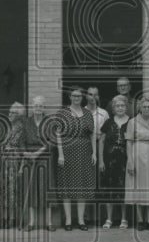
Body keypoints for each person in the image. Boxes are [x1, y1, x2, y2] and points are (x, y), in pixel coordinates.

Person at [55, 87, 96, 231]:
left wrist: (94, 153)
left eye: (79, 96)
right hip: (67, 152)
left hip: (84, 153)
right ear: (70, 97)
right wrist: (60, 154)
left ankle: (80, 220)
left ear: (82, 97)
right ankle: (68, 221)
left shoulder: (87, 113)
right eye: (74, 96)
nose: (76, 98)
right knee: (67, 186)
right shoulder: (63, 112)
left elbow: (92, 134)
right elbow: (58, 134)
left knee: (81, 187)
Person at [125, 97, 149, 230]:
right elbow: (129, 141)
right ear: (140, 108)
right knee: (138, 187)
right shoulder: (132, 122)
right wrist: (130, 160)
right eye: (144, 107)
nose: (147, 109)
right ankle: (140, 220)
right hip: (137, 153)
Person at [99, 95, 131, 229]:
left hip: (125, 160)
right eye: (117, 106)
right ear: (113, 108)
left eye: (122, 105)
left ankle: (124, 219)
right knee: (109, 189)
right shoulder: (108, 122)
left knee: (124, 189)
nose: (120, 108)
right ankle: (109, 219)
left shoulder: (131, 122)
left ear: (126, 107)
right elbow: (101, 141)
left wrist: (132, 161)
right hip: (109, 160)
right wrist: (101, 160)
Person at [23, 96, 52, 231]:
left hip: (44, 158)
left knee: (46, 187)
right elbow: (21, 142)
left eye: (41, 106)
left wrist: (37, 153)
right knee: (32, 188)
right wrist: (26, 153)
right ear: (32, 107)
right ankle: (31, 222)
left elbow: (50, 142)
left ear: (44, 108)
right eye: (36, 106)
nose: (38, 108)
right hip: (30, 159)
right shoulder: (26, 122)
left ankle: (49, 222)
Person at [0, 101, 28, 229]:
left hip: (15, 161)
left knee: (14, 191)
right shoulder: (9, 127)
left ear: (19, 115)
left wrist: (22, 166)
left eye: (13, 112)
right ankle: (5, 220)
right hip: (4, 161)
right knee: (4, 190)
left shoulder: (21, 128)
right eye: (9, 112)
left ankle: (13, 220)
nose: (9, 114)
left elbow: (24, 148)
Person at [84, 86, 110, 225]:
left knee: (101, 183)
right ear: (86, 96)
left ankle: (102, 218)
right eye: (90, 94)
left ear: (98, 97)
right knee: (88, 183)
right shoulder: (81, 112)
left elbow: (107, 133)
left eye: (95, 94)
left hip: (101, 147)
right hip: (85, 148)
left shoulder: (104, 113)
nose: (92, 97)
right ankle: (87, 218)